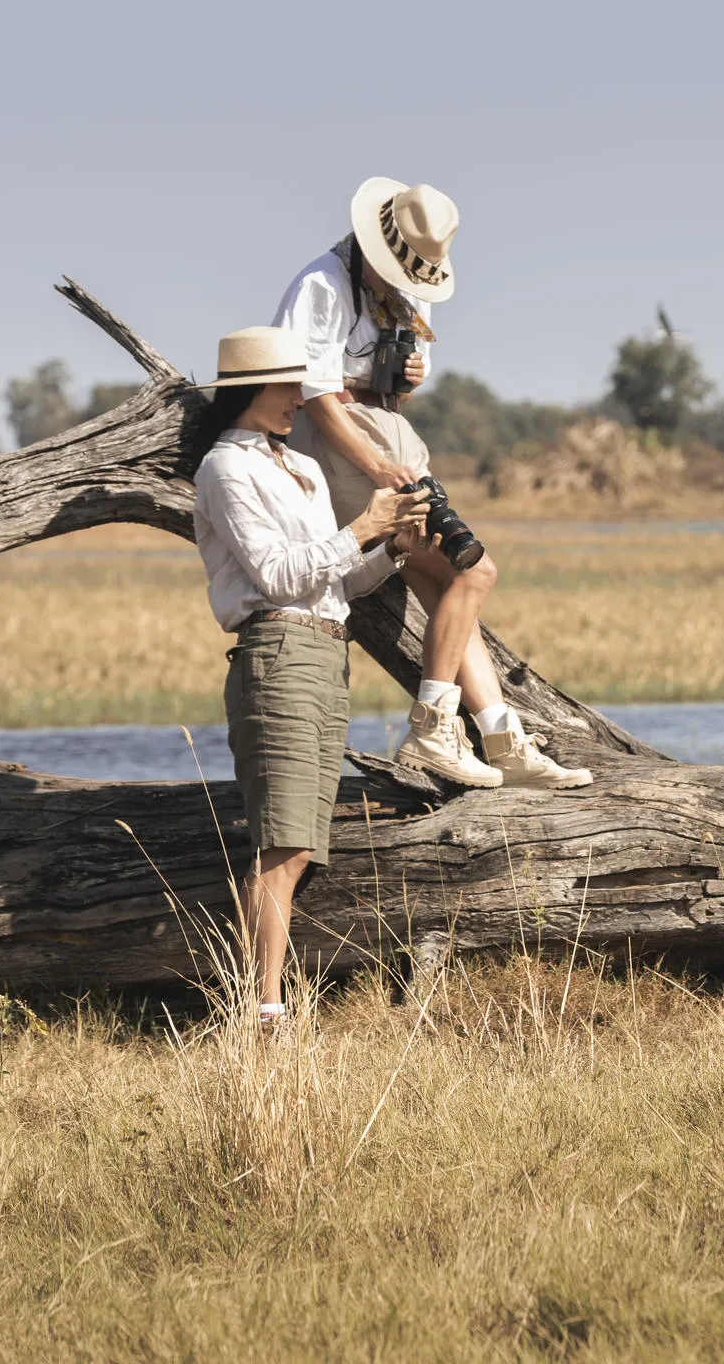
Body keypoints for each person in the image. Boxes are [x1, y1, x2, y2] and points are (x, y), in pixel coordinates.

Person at [273, 177, 589, 790]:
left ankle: (499, 738)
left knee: (451, 580)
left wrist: (410, 375)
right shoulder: (322, 283)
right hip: (345, 441)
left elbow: (398, 392)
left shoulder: (401, 293)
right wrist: (373, 466)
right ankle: (433, 730)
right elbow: (311, 391)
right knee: (475, 570)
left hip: (386, 433)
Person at [188, 327, 429, 1029]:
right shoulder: (224, 471)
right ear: (249, 390)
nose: (301, 399)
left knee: (303, 841)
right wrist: (362, 528)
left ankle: (265, 998)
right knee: (284, 841)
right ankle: (265, 1011)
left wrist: (393, 544)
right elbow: (280, 576)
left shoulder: (302, 468)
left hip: (326, 651)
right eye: (289, 386)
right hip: (279, 651)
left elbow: (338, 581)